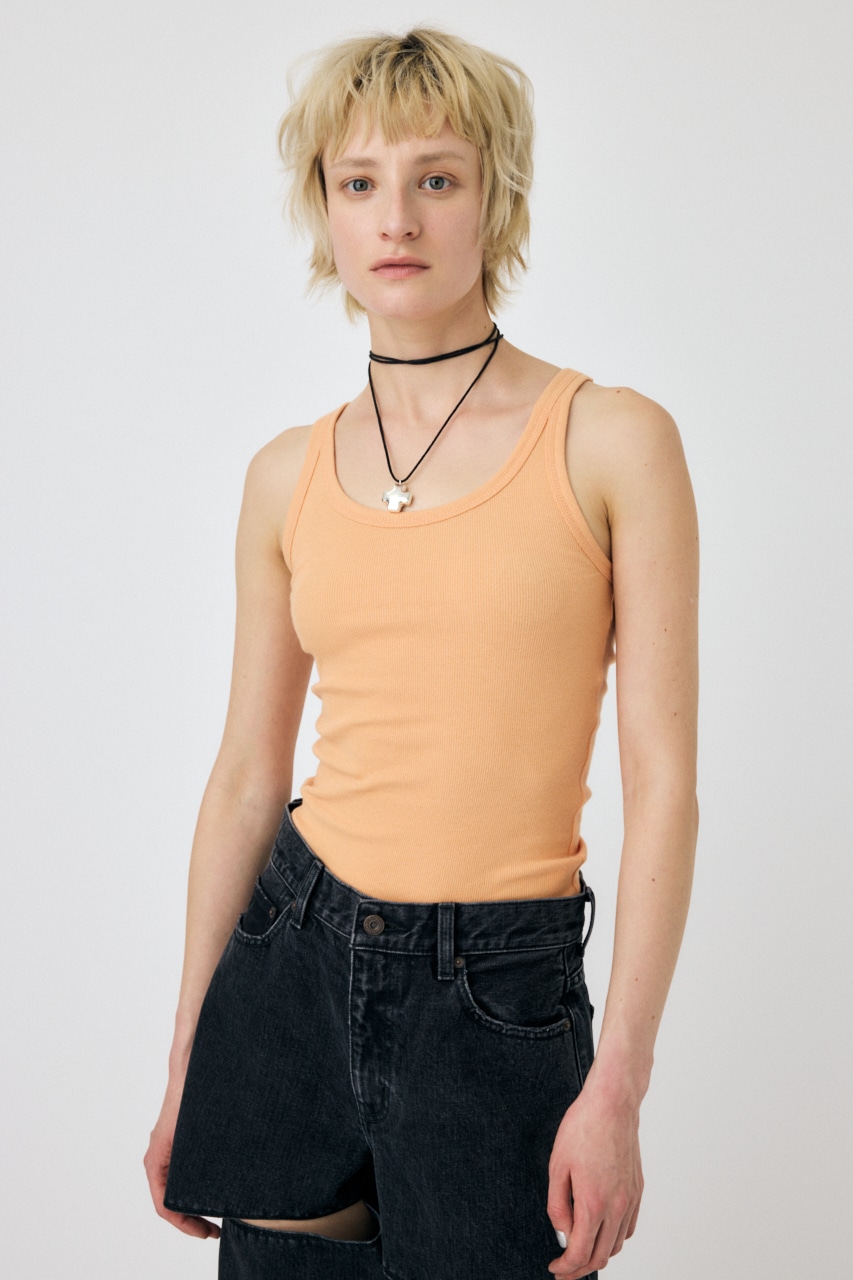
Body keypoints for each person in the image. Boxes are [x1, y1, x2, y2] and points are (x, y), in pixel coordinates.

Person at [144, 26, 699, 1280]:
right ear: (324, 209)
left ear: (494, 195)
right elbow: (245, 775)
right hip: (289, 962)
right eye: (360, 181)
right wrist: (187, 1058)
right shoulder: (284, 474)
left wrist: (618, 1082)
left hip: (498, 987)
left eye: (435, 177)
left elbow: (663, 781)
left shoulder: (610, 441)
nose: (396, 217)